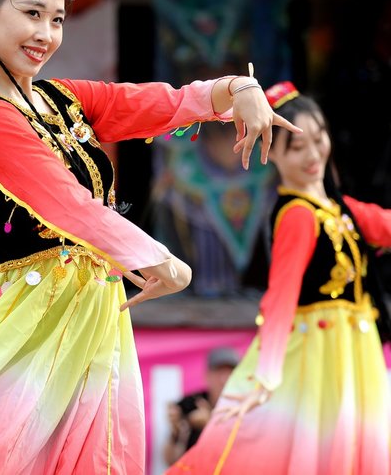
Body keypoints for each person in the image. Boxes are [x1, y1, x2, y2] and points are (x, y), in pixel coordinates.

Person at [0, 0, 299, 474]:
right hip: (28, 320)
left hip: (94, 308)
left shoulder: (63, 98)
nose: (46, 34)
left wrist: (236, 89)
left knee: (96, 463)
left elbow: (157, 102)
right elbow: (66, 202)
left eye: (58, 19)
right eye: (32, 14)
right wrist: (155, 257)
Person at [165, 81, 391, 475]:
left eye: (318, 140)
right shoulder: (298, 215)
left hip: (353, 351)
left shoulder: (339, 208)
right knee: (299, 447)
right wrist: (266, 372)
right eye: (296, 147)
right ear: (272, 152)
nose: (312, 154)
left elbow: (384, 224)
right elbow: (281, 296)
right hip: (318, 355)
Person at [163, 347, 240, 466]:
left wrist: (209, 426)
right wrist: (176, 432)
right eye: (219, 372)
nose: (224, 380)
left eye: (229, 373)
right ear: (207, 376)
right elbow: (171, 460)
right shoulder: (191, 403)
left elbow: (238, 458)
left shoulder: (247, 409)